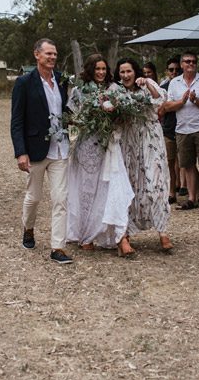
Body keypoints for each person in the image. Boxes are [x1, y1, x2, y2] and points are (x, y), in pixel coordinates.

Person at [11, 39, 74, 265]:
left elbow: (67, 109)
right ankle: (28, 228)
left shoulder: (62, 79)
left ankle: (58, 247)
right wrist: (21, 152)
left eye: (55, 54)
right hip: (35, 149)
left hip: (61, 149)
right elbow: (17, 120)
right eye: (48, 53)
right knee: (34, 197)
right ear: (36, 54)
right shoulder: (24, 82)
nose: (52, 57)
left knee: (61, 199)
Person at [65, 55, 134, 256]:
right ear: (90, 70)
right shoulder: (79, 91)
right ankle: (86, 234)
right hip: (87, 146)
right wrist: (89, 120)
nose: (101, 72)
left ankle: (120, 235)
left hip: (109, 145)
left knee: (113, 187)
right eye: (97, 69)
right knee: (87, 190)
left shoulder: (114, 90)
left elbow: (124, 116)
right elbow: (71, 118)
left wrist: (114, 115)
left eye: (104, 69)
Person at [114, 58, 173, 253]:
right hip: (128, 142)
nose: (125, 76)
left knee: (156, 184)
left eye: (128, 71)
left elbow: (161, 100)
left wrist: (147, 82)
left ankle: (163, 231)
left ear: (135, 71)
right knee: (129, 187)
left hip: (150, 140)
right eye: (122, 72)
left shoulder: (147, 84)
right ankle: (125, 233)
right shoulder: (117, 91)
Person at [163, 51, 199, 214]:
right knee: (187, 165)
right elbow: (167, 106)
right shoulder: (174, 83)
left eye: (193, 61)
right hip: (182, 128)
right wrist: (182, 101)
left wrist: (196, 100)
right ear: (181, 64)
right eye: (187, 61)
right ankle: (192, 198)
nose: (191, 64)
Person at [159, 57, 182, 203]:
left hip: (184, 126)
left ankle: (194, 192)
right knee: (169, 161)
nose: (174, 72)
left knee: (186, 163)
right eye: (171, 69)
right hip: (168, 128)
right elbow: (162, 108)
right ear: (167, 71)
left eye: (176, 69)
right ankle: (171, 192)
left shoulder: (184, 85)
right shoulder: (164, 87)